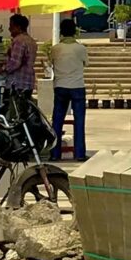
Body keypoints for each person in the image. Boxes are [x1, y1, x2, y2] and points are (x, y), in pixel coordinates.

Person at [49, 16, 89, 161]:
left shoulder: (55, 48)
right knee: (79, 121)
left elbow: (52, 63)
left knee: (57, 121)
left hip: (60, 86)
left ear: (61, 32)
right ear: (74, 31)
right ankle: (79, 154)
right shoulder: (80, 48)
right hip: (77, 86)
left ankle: (54, 153)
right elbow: (86, 64)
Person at [0, 13, 39, 119]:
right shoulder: (31, 41)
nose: (9, 29)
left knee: (15, 114)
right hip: (28, 81)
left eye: (11, 26)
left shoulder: (19, 41)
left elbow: (15, 63)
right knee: (23, 113)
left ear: (18, 27)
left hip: (18, 83)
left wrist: (1, 69)